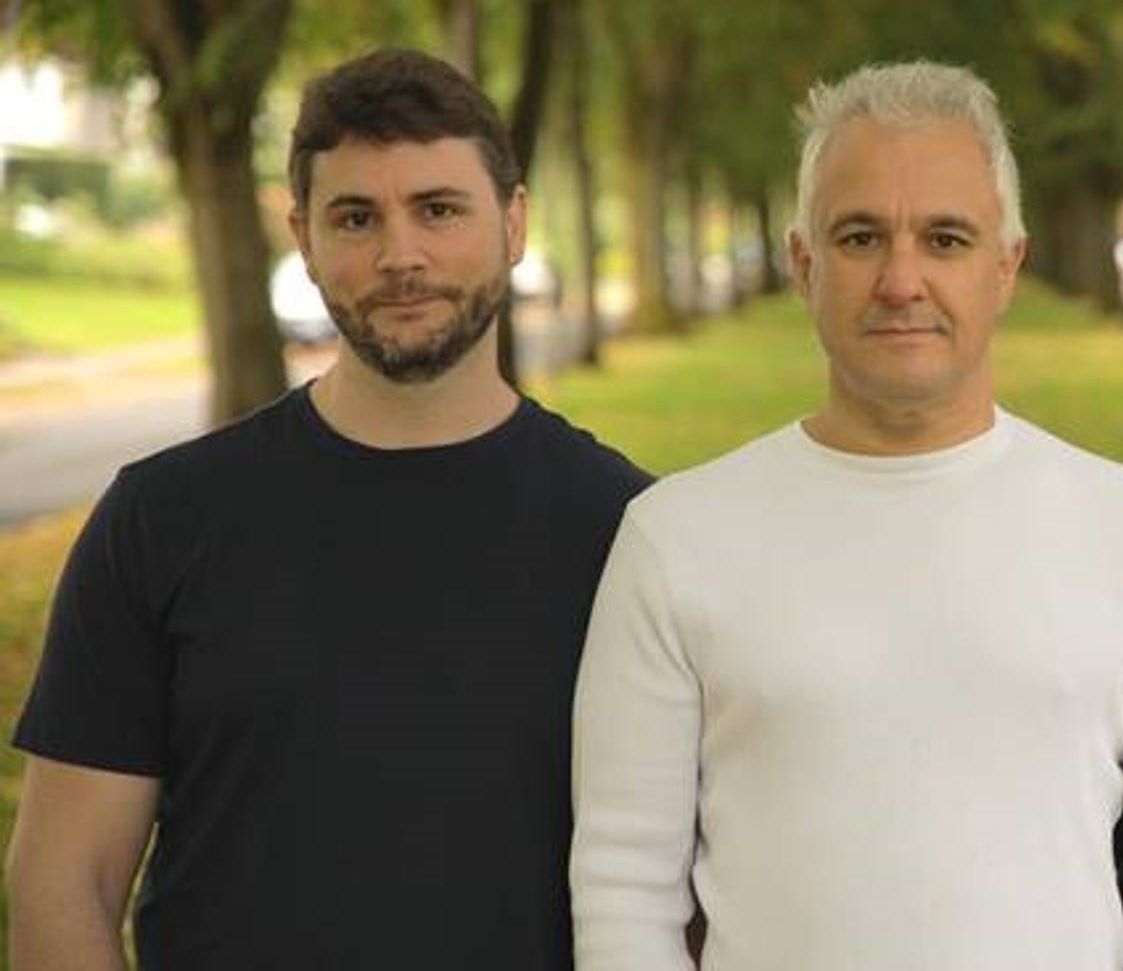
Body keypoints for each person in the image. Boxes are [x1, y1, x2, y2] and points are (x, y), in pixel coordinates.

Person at [570, 60, 1123, 970]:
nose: (901, 279)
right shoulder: (675, 539)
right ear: (803, 263)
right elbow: (623, 884)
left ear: (1005, 266)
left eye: (945, 238)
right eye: (860, 237)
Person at [6, 48, 653, 970]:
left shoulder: (632, 531)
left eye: (438, 209)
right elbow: (64, 884)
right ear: (303, 238)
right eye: (356, 217)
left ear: (514, 224)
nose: (401, 255)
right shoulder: (161, 519)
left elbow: (685, 896)